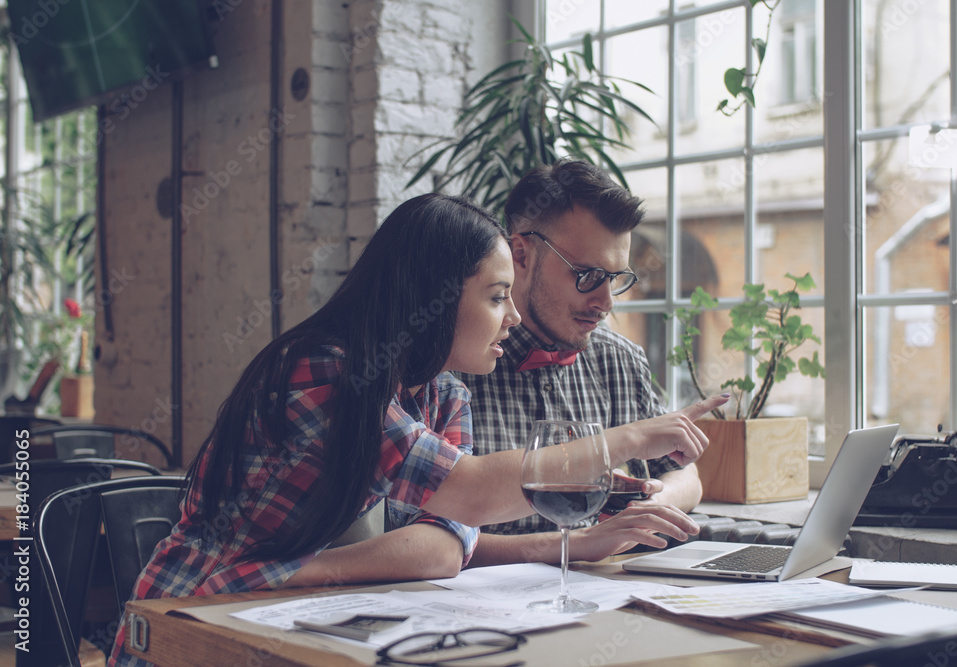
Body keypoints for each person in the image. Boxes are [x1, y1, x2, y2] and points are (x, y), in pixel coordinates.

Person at [108, 193, 724, 665]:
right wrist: (634, 436)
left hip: (278, 604)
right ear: (431, 297)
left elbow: (442, 548)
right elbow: (475, 492)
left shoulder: (443, 393)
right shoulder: (324, 371)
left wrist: (302, 568)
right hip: (190, 613)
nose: (511, 317)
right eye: (495, 296)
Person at [457, 160, 725, 567]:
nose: (606, 302)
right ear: (520, 254)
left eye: (615, 278)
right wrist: (581, 542)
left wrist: (650, 509)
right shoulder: (453, 366)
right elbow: (429, 535)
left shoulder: (620, 360)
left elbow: (685, 474)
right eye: (586, 275)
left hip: (612, 598)